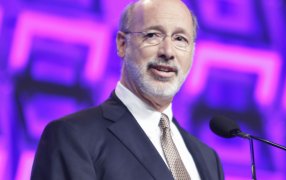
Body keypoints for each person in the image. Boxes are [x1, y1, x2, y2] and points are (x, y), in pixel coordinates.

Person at [31, 0, 224, 179]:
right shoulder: (72, 136)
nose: (168, 51)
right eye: (153, 35)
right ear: (122, 44)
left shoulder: (209, 159)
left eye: (180, 39)